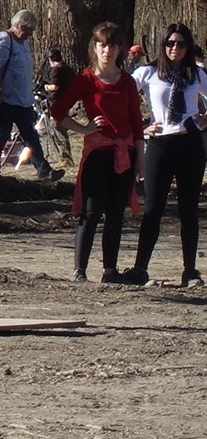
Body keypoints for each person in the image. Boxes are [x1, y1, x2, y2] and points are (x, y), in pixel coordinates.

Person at [49, 21, 142, 282]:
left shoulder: (127, 81)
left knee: (116, 213)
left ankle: (110, 271)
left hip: (124, 154)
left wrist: (141, 158)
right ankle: (79, 270)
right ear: (95, 47)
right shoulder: (86, 79)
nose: (107, 51)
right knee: (91, 212)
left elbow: (136, 121)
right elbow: (57, 111)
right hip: (97, 154)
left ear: (120, 49)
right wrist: (84, 129)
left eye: (112, 45)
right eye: (102, 45)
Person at [126, 21, 204, 288]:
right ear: (163, 45)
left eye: (181, 44)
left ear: (188, 47)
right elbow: (121, 98)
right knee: (152, 209)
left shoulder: (197, 74)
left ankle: (190, 270)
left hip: (190, 144)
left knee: (188, 210)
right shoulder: (147, 73)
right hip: (160, 145)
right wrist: (140, 128)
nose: (175, 48)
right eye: (170, 43)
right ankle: (140, 269)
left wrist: (204, 120)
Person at [0, 10, 53, 180]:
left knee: (30, 135)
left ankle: (44, 170)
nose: (30, 34)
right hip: (6, 99)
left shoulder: (23, 43)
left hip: (23, 100)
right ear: (20, 25)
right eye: (28, 30)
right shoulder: (4, 40)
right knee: (1, 135)